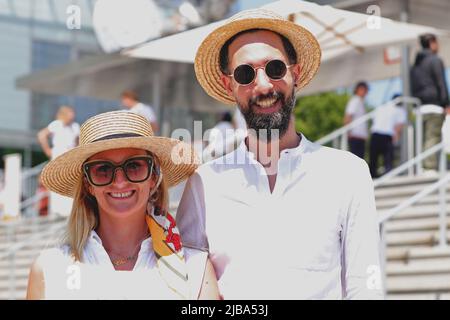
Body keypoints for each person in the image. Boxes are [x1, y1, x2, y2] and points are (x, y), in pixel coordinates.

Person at [176, 9, 383, 299]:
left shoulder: (348, 173)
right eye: (245, 73)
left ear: (295, 73)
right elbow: (192, 287)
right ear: (229, 85)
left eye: (274, 68)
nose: (263, 85)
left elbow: (365, 285)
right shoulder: (204, 184)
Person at [27, 111, 219, 300]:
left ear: (153, 177)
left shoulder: (195, 268)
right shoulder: (49, 269)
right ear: (88, 184)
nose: (119, 182)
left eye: (134, 166)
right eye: (103, 169)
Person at [410, 33, 450, 172]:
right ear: (432, 43)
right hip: (434, 106)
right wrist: (446, 103)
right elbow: (441, 83)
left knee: (421, 139)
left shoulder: (415, 65)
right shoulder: (435, 60)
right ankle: (429, 168)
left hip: (419, 107)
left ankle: (421, 167)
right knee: (432, 138)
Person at [37, 106, 80, 217]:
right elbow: (41, 135)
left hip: (70, 157)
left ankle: (68, 211)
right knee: (57, 181)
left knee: (70, 181)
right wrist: (47, 150)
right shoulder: (56, 124)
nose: (72, 115)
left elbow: (78, 141)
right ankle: (57, 210)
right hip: (58, 155)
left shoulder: (75, 126)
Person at [369, 94, 407, 178]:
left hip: (375, 135)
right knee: (388, 161)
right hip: (387, 136)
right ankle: (387, 178)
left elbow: (374, 121)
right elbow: (398, 127)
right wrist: (396, 139)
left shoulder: (382, 107)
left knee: (373, 160)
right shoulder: (400, 110)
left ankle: (372, 178)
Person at [344, 81, 369, 159]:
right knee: (356, 159)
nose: (366, 93)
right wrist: (348, 132)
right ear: (359, 89)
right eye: (365, 90)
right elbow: (348, 116)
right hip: (355, 135)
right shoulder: (355, 100)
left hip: (359, 136)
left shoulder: (360, 101)